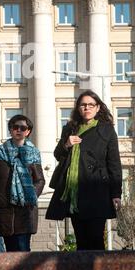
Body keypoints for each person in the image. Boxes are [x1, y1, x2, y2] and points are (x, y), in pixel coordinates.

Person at [46, 90, 122, 251]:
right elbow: (58, 155)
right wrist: (66, 144)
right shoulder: (70, 128)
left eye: (90, 105)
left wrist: (116, 193)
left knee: (95, 238)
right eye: (83, 105)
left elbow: (114, 163)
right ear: (78, 108)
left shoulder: (106, 130)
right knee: (81, 239)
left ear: (97, 107)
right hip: (75, 192)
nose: (86, 108)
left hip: (97, 189)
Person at [0, 114, 45, 251]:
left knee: (23, 249)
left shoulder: (33, 153)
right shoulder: (0, 152)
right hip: (5, 210)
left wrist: (30, 195)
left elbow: (40, 180)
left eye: (23, 128)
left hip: (25, 209)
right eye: (15, 127)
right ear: (10, 130)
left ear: (28, 131)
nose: (19, 130)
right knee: (10, 251)